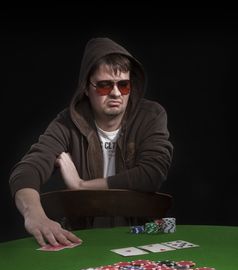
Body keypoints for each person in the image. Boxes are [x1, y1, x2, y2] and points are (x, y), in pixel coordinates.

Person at [9, 37, 173, 247]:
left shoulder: (151, 115)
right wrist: (35, 216)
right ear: (86, 87)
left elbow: (152, 173)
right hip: (84, 237)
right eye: (104, 86)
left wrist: (82, 186)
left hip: (141, 235)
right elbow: (26, 171)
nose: (115, 93)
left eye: (123, 85)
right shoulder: (67, 123)